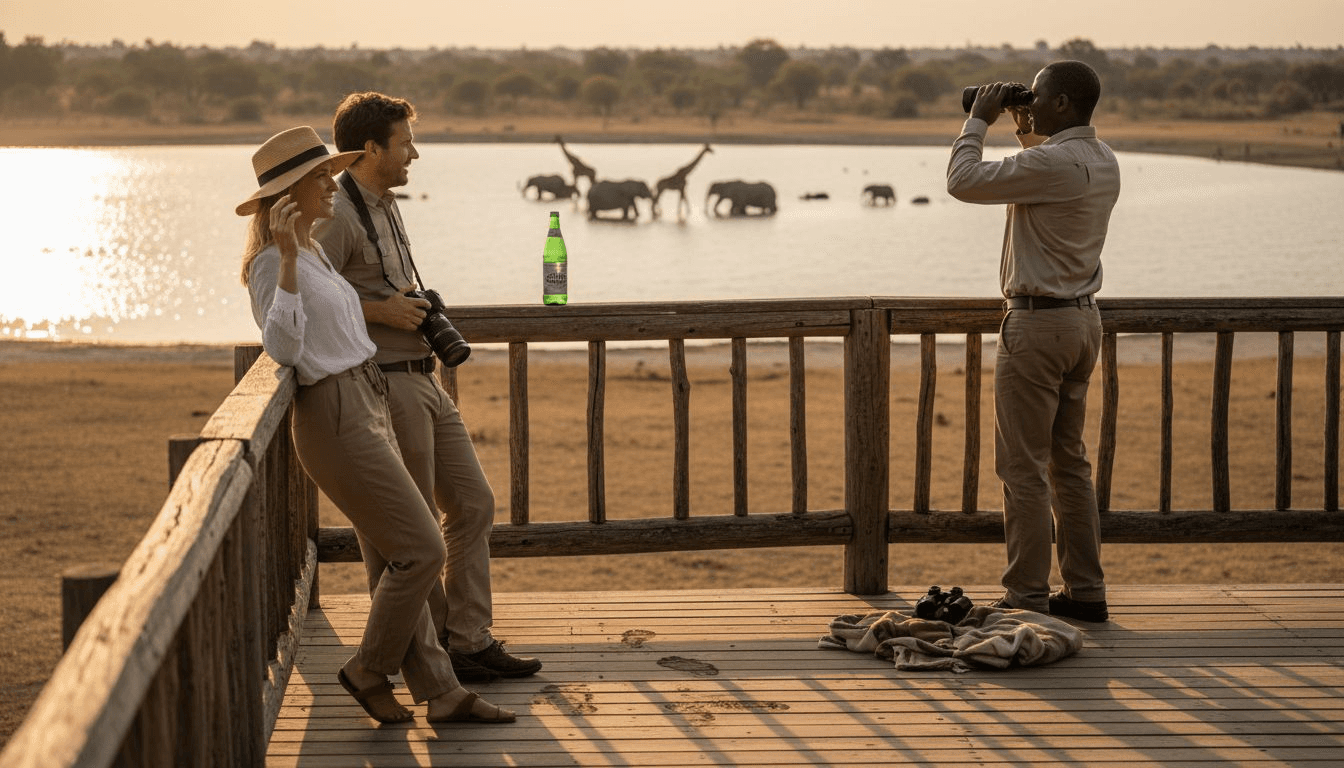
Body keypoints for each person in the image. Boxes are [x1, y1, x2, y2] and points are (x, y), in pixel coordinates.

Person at [239, 126, 517, 724]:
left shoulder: (314, 250)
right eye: (319, 178)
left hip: (366, 400)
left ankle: (441, 691)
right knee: (420, 548)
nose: (330, 184)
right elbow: (284, 347)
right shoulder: (275, 262)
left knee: (404, 550)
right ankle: (368, 668)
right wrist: (286, 259)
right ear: (287, 195)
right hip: (334, 416)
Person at [314, 93, 542, 679]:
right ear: (370, 149)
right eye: (405, 142)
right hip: (387, 384)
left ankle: (468, 639)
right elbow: (314, 300)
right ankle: (436, 660)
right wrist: (381, 312)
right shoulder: (335, 214)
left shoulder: (385, 204)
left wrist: (407, 309)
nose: (414, 153)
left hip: (425, 377)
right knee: (412, 533)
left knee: (473, 504)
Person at [946, 61, 1121, 622]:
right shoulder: (1102, 159)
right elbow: (1041, 170)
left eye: (1040, 95)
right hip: (1083, 324)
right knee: (1069, 463)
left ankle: (1025, 596)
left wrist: (978, 120)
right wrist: (1025, 125)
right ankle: (1086, 591)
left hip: (1037, 326)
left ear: (1064, 104)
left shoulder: (1050, 163)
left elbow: (962, 182)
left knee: (1021, 469)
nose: (1033, 100)